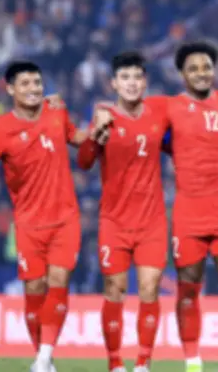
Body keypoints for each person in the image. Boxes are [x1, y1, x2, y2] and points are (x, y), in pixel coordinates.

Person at [0, 61, 104, 372]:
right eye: (25, 84)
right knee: (34, 289)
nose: (33, 89)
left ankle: (44, 357)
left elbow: (77, 138)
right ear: (10, 89)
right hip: (28, 223)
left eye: (37, 83)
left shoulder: (56, 111)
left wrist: (97, 130)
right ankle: (43, 357)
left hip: (65, 217)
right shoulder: (1, 129)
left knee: (59, 281)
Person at [77, 51, 169, 372]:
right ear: (114, 83)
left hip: (152, 220)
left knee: (150, 288)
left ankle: (143, 363)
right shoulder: (104, 117)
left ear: (145, 82)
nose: (131, 83)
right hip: (114, 221)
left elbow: (181, 144)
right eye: (125, 77)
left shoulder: (159, 114)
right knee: (114, 290)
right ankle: (115, 363)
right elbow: (84, 162)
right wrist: (95, 135)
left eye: (137, 77)